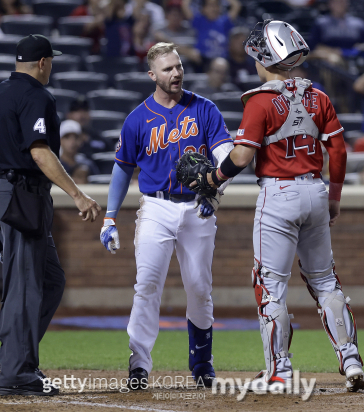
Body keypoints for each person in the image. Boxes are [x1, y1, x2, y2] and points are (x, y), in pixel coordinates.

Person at [200, 20, 364, 393]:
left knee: (270, 286)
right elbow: (337, 151)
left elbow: (241, 156)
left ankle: (279, 371)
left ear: (263, 57)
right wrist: (335, 197)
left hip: (278, 195)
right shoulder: (318, 97)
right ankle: (350, 357)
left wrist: (213, 179)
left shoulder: (259, 101)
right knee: (325, 281)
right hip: (315, 192)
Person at [99, 42, 234, 390]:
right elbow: (121, 169)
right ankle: (139, 365)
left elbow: (227, 156)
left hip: (196, 206)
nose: (175, 73)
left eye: (178, 67)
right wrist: (110, 217)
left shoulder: (204, 109)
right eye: (167, 69)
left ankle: (202, 364)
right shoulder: (137, 119)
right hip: (155, 205)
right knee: (146, 285)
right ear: (152, 75)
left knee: (199, 288)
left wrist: (214, 192)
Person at [0, 34, 100, 396]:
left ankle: (15, 355)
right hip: (22, 195)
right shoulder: (37, 96)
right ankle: (17, 373)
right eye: (51, 60)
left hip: (5, 191)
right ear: (43, 62)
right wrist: (78, 194)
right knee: (25, 287)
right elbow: (39, 152)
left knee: (49, 280)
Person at [307, 0, 364, 66]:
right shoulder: (321, 23)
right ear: (330, 4)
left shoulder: (359, 24)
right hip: (328, 60)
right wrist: (335, 52)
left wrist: (349, 52)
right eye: (336, 2)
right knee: (333, 60)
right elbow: (315, 47)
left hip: (353, 59)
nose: (339, 4)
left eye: (342, 1)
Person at [181, 0, 241, 65]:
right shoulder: (199, 21)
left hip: (222, 60)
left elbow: (236, 5)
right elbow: (185, 4)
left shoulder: (224, 22)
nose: (214, 8)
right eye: (210, 5)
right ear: (203, 9)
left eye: (216, 5)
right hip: (202, 60)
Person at [154, 1, 200, 68]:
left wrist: (166, 41)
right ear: (166, 15)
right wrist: (187, 52)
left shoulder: (190, 31)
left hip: (188, 68)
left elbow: (195, 56)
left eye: (179, 14)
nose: (176, 17)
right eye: (173, 14)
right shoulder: (159, 31)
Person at [59, 119, 99, 183]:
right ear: (60, 140)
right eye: (67, 137)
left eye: (76, 137)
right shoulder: (54, 164)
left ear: (81, 140)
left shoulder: (88, 164)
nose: (72, 142)